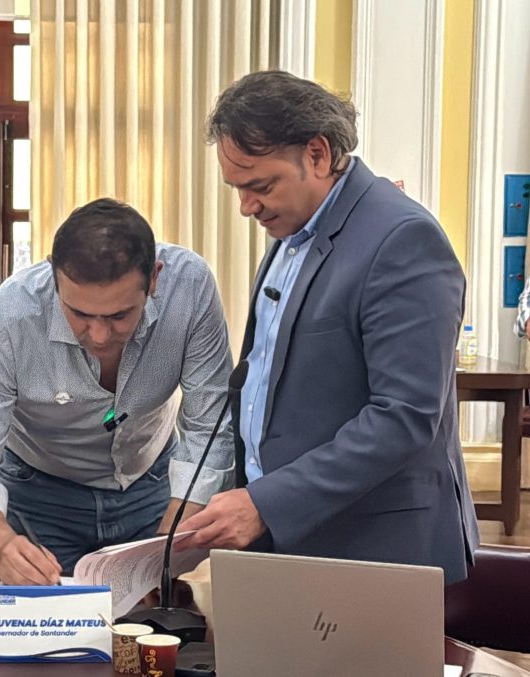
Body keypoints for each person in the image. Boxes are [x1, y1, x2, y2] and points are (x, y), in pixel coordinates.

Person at [180, 70, 479, 584]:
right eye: (237, 189)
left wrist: (267, 502)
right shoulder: (292, 232)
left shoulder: (402, 239)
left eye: (260, 186)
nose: (246, 207)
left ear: (317, 155)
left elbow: (403, 417)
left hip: (374, 545)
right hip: (289, 536)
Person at [0, 198, 235, 585]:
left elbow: (208, 430)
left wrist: (165, 549)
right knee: (51, 617)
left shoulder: (189, 288)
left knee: (158, 613)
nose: (99, 336)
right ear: (54, 277)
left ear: (154, 279)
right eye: (78, 314)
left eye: (119, 315)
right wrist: (0, 543)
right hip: (40, 493)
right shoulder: (7, 319)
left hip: (155, 485)